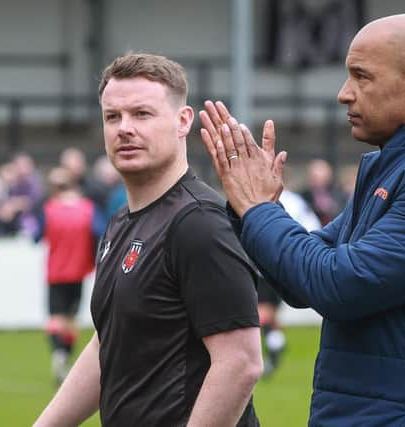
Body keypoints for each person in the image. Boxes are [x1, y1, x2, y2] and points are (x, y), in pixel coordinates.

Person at [201, 13, 405, 427]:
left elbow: (336, 284)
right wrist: (255, 208)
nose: (343, 94)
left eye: (361, 77)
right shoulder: (401, 165)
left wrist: (259, 208)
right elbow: (305, 278)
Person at [34, 53, 263, 427]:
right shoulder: (120, 223)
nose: (125, 128)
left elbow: (240, 363)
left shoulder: (199, 222)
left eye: (142, 114)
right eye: (113, 116)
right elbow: (108, 344)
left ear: (182, 121)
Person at [33, 166, 105, 384]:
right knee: (71, 319)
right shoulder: (87, 209)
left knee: (55, 318)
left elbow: (36, 235)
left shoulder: (49, 210)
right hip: (78, 271)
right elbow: (100, 231)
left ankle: (58, 353)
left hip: (55, 272)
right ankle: (65, 354)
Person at [258, 188, 321, 377]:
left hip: (271, 263)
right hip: (291, 262)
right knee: (270, 312)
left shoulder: (266, 198)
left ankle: (275, 348)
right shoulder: (295, 200)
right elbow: (314, 226)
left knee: (261, 311)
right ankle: (276, 342)